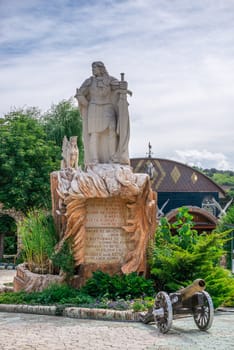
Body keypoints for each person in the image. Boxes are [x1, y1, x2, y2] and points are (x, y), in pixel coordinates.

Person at [75, 61, 131, 166]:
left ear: (101, 69)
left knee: (112, 129)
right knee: (94, 133)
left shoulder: (109, 80)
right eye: (92, 69)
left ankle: (113, 157)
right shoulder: (89, 82)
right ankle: (94, 159)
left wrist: (123, 85)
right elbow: (79, 94)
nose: (93, 70)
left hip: (107, 106)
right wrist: (85, 103)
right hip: (94, 108)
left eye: (94, 68)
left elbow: (119, 86)